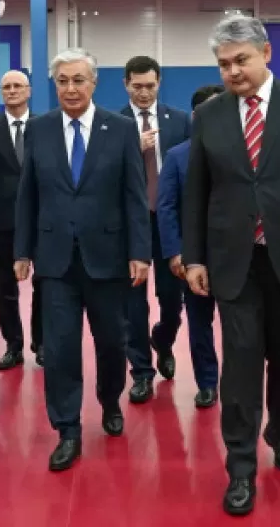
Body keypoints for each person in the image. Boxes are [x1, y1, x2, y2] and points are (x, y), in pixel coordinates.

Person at [182, 15, 280, 516]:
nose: (233, 71)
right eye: (223, 64)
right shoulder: (208, 116)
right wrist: (194, 257)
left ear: (266, 53)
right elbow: (197, 192)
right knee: (241, 364)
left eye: (241, 60)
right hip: (234, 263)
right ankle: (241, 467)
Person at [14, 48, 151, 472]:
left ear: (94, 83)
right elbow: (28, 194)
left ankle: (110, 400)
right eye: (63, 81)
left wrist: (140, 252)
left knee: (112, 341)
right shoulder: (39, 129)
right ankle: (67, 428)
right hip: (55, 260)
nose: (70, 88)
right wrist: (22, 250)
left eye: (78, 80)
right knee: (59, 348)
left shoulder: (121, 128)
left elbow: (134, 195)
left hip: (108, 257)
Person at [119, 55, 191, 404]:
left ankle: (163, 340)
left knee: (172, 298)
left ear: (159, 82)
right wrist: (133, 147)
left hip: (169, 221)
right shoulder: (112, 124)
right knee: (133, 304)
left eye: (150, 86)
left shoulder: (180, 121)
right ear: (126, 85)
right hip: (131, 222)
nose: (144, 93)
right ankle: (141, 372)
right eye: (137, 86)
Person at [157, 83, 225, 408]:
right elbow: (167, 207)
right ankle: (207, 382)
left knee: (240, 327)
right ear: (196, 115)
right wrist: (175, 252)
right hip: (195, 257)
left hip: (237, 257)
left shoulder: (243, 153)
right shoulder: (177, 156)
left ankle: (237, 383)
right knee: (200, 324)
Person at [0, 69, 44, 369]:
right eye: (6, 86)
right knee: (6, 287)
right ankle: (13, 345)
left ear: (29, 91)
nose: (12, 90)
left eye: (18, 85)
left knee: (45, 284)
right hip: (4, 220)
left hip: (42, 218)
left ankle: (41, 342)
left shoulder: (45, 126)